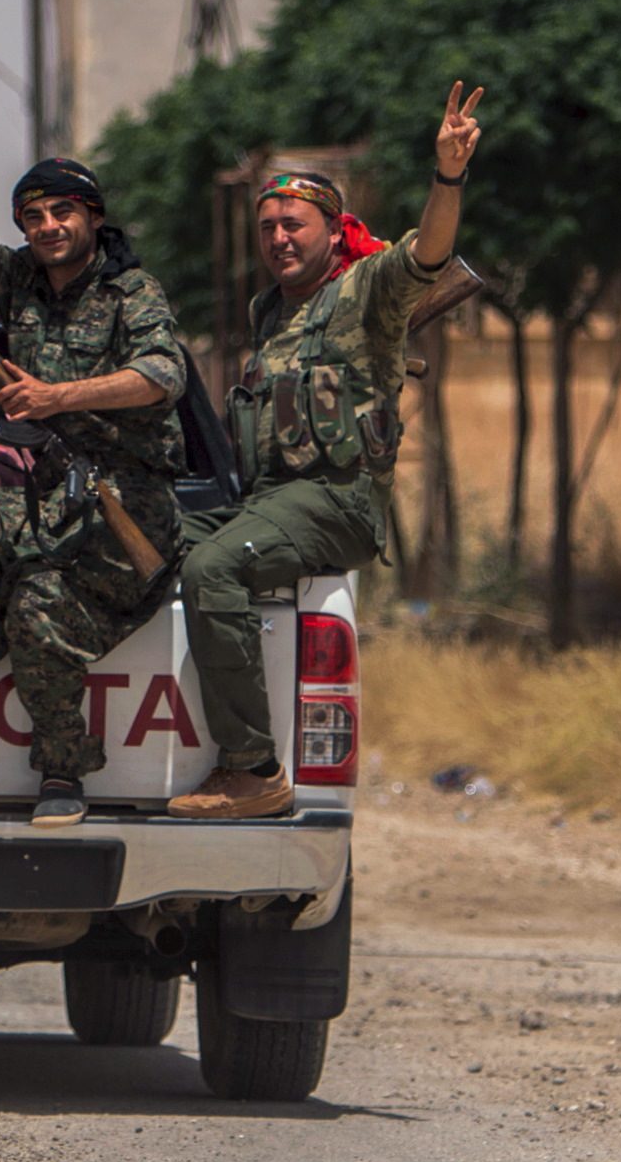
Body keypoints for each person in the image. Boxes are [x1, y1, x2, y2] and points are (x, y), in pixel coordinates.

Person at [0, 56, 186, 829]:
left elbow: (161, 373)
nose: (48, 227)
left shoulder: (131, 293)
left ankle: (62, 774)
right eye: (34, 216)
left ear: (92, 217)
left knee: (41, 605)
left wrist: (58, 397)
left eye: (62, 213)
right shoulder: (18, 281)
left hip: (131, 505)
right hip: (50, 497)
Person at [168, 82, 485, 819]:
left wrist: (448, 175)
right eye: (269, 225)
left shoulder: (367, 289)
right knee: (152, 537)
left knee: (215, 568)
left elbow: (430, 253)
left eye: (296, 224)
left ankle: (251, 769)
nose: (280, 237)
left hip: (336, 500)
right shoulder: (268, 312)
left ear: (332, 229)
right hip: (266, 501)